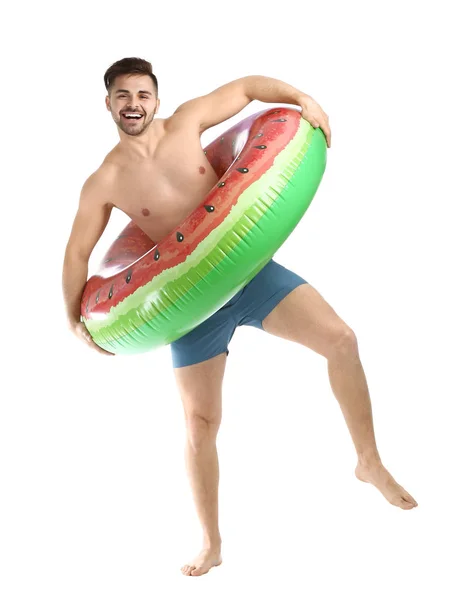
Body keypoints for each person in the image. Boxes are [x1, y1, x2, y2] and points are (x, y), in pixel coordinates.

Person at [62, 57, 418, 577]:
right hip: (187, 310)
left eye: (141, 94)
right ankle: (211, 544)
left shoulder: (186, 123)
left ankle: (369, 461)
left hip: (249, 275)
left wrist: (304, 100)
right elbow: (77, 255)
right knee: (199, 425)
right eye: (123, 96)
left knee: (341, 339)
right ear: (109, 104)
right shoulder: (104, 181)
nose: (133, 104)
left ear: (155, 99)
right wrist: (74, 322)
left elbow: (249, 87)